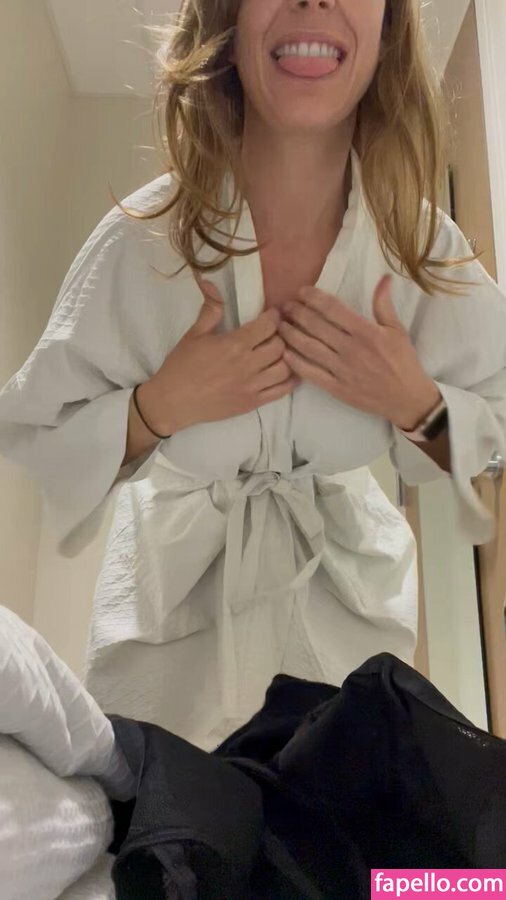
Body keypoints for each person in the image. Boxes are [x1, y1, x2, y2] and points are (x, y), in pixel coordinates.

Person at [0, 0, 505, 751]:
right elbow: (39, 436)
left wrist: (416, 405)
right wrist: (159, 407)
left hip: (350, 639)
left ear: (389, 25)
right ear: (227, 19)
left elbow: (492, 446)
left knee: (350, 817)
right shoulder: (140, 243)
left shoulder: (425, 251)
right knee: (169, 820)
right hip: (162, 647)